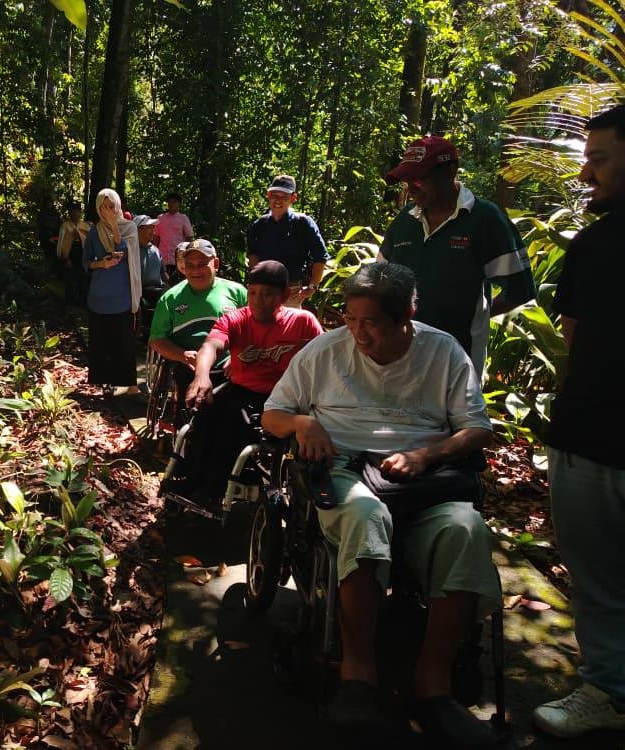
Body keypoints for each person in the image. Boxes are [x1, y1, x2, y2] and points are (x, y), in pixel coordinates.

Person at [262, 263, 500, 748]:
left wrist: (426, 455)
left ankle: (433, 687)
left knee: (466, 532)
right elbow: (272, 414)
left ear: (406, 315)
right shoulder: (326, 351)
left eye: (369, 321)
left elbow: (477, 428)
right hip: (345, 465)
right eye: (349, 318)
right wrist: (303, 425)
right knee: (365, 518)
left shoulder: (442, 351)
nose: (357, 332)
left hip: (424, 475)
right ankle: (358, 676)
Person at [532, 104, 625, 739]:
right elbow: (575, 339)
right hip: (593, 437)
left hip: (595, 436)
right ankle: (608, 688)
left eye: (601, 159)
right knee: (595, 575)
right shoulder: (597, 241)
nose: (587, 173)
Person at [165, 261, 322, 503]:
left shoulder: (303, 322)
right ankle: (191, 479)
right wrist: (202, 374)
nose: (258, 300)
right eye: (252, 293)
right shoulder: (236, 319)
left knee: (235, 425)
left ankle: (213, 491)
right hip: (240, 389)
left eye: (267, 294)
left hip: (283, 397)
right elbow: (211, 345)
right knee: (204, 413)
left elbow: (324, 359)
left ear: (285, 295)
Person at [380, 135, 535, 377]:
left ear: (451, 171)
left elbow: (519, 289)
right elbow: (379, 279)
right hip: (401, 356)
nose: (411, 188)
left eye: (420, 178)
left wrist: (475, 317)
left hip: (458, 358)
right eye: (407, 180)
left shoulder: (485, 220)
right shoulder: (405, 221)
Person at [149, 239, 246, 398]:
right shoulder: (170, 299)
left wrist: (239, 357)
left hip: (229, 368)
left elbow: (253, 329)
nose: (196, 270)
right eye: (190, 265)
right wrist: (183, 355)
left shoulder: (238, 292)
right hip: (188, 367)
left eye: (202, 264)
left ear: (215, 263)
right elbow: (157, 340)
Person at [84, 188, 142, 397]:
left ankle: (130, 384)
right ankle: (103, 384)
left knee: (124, 341)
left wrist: (114, 227)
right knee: (101, 342)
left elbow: (127, 252)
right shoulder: (93, 232)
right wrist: (100, 264)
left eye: (111, 206)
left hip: (123, 296)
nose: (107, 210)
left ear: (117, 206)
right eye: (103, 207)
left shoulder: (129, 228)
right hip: (99, 296)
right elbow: (86, 262)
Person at [246, 174, 329, 305]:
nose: (278, 200)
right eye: (275, 195)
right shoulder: (259, 225)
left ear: (293, 198)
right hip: (262, 291)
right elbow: (253, 255)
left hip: (291, 292)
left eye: (284, 197)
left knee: (289, 326)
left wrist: (312, 286)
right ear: (268, 195)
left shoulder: (303, 223)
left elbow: (320, 256)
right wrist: (254, 284)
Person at [57, 199, 90, 306]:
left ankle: (83, 304)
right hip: (70, 258)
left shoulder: (85, 226)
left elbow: (89, 243)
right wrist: (65, 259)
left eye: (77, 210)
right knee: (70, 283)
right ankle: (69, 306)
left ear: (80, 212)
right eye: (72, 211)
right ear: (69, 212)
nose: (75, 213)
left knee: (83, 282)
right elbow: (61, 244)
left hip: (82, 257)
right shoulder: (65, 226)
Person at [154, 192, 194, 281]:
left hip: (177, 258)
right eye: (169, 202)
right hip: (162, 258)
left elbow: (189, 237)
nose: (171, 204)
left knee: (177, 282)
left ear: (179, 204)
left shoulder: (183, 218)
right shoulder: (160, 218)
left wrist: (187, 254)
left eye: (174, 202)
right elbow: (156, 238)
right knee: (163, 283)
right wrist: (154, 254)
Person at [37, 195, 62, 275]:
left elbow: (59, 224)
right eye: (48, 203)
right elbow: (41, 225)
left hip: (55, 237)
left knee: (56, 255)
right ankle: (48, 272)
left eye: (50, 203)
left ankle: (55, 272)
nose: (49, 204)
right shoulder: (42, 214)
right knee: (49, 255)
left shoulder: (55, 213)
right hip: (46, 237)